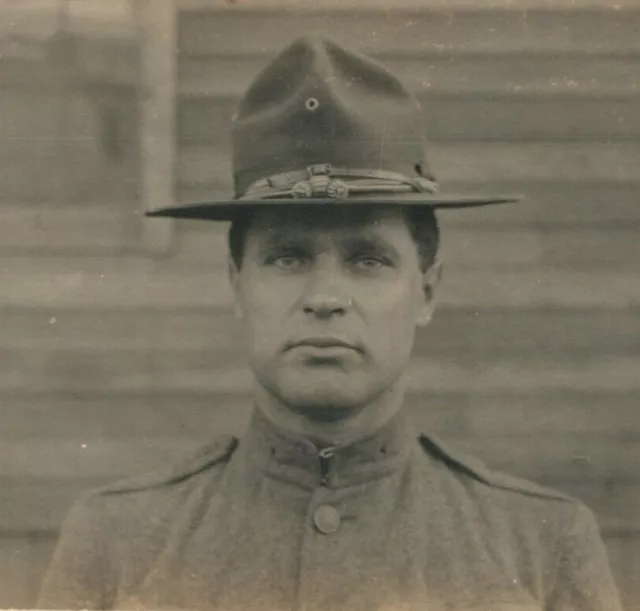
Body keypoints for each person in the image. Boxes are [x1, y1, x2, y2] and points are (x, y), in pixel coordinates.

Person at [38, 36, 622, 611]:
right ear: (237, 284)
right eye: (287, 258)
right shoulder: (118, 544)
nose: (324, 297)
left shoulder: (540, 548)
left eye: (368, 259)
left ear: (427, 289)